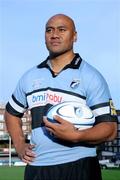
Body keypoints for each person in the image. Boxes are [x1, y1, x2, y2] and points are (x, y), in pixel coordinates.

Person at [5, 14, 118, 180]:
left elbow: (110, 129)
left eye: (62, 30)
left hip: (79, 166)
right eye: (49, 30)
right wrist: (20, 145)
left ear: (75, 36)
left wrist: (77, 136)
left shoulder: (91, 76)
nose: (54, 34)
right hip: (37, 168)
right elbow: (11, 113)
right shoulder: (30, 76)